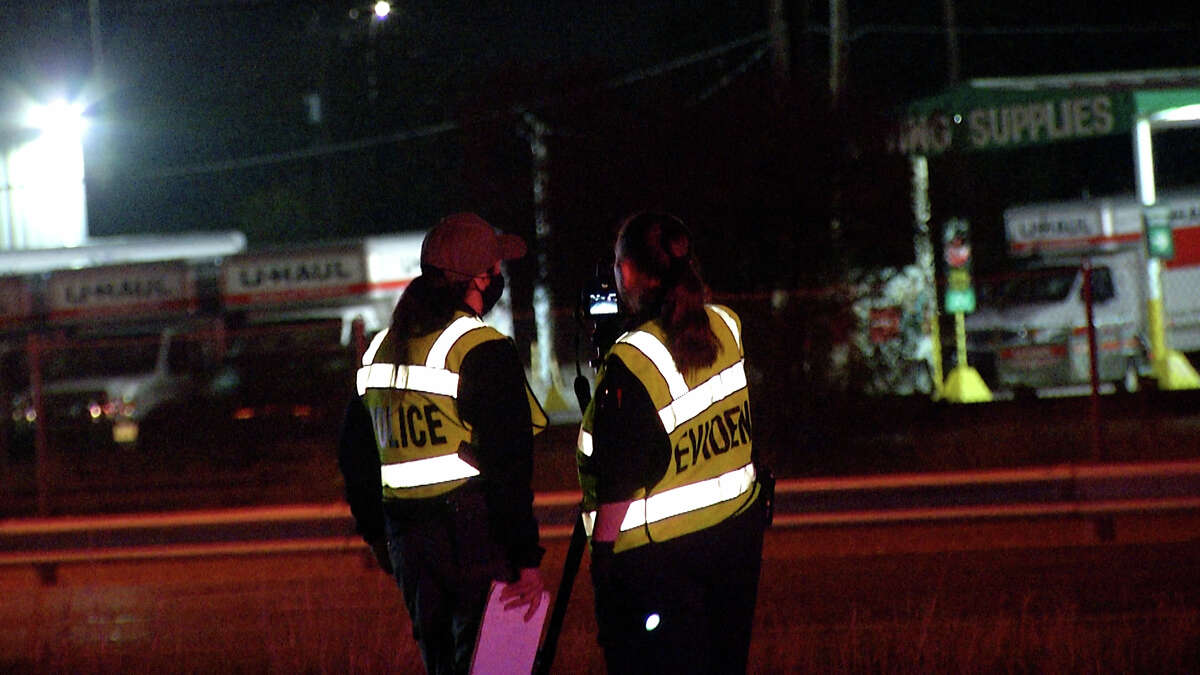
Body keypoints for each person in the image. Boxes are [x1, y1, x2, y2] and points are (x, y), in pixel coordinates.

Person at [338, 212, 549, 674]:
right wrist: (525, 558)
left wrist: (378, 536)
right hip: (474, 532)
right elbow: (509, 466)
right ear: (479, 279)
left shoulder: (378, 352)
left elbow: (355, 458)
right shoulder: (481, 348)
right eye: (496, 271)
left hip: (407, 539)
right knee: (496, 665)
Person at [576, 211, 770, 674]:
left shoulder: (633, 360)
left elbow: (618, 480)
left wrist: (602, 564)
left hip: (658, 564)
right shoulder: (727, 325)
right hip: (736, 542)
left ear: (628, 272)